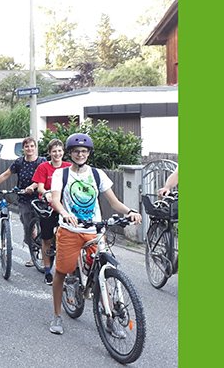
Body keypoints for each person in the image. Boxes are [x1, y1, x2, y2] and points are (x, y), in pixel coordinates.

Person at [47, 133, 142, 335]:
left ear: (88, 153)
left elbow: (114, 202)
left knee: (103, 271)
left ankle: (109, 318)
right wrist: (64, 213)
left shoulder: (97, 175)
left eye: (84, 151)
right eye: (76, 151)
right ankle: (56, 315)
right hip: (70, 230)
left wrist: (130, 212)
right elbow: (55, 199)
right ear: (70, 153)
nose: (80, 154)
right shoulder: (61, 175)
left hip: (94, 231)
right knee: (62, 273)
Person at [0, 136, 46, 267]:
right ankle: (33, 254)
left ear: (35, 148)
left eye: (32, 146)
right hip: (24, 198)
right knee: (28, 226)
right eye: (27, 146)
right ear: (23, 149)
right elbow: (6, 174)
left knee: (43, 226)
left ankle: (44, 253)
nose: (29, 149)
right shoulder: (19, 162)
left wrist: (32, 187)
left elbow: (43, 178)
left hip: (40, 198)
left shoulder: (42, 161)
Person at [31, 138, 72, 284]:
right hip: (48, 206)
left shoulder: (69, 167)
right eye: (54, 151)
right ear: (49, 153)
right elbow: (40, 186)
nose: (57, 153)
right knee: (47, 239)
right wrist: (47, 193)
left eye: (59, 150)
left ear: (63, 152)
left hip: (64, 207)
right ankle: (48, 270)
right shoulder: (43, 167)